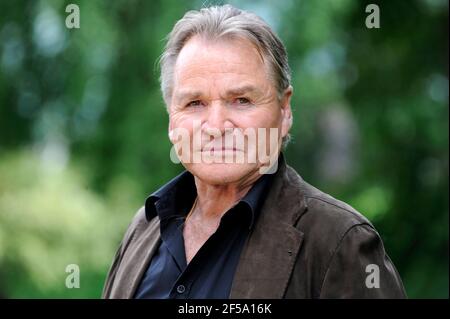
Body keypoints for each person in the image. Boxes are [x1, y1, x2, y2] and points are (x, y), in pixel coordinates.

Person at [102, 4, 406, 299]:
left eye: (241, 100)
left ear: (284, 110)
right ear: (171, 119)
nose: (217, 125)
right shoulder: (144, 227)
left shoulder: (339, 241)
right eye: (195, 103)